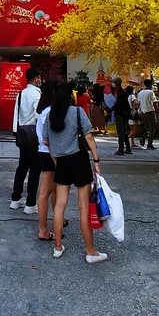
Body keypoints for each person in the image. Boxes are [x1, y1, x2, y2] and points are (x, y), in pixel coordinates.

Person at [41, 81, 107, 264]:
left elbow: (47, 142)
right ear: (71, 95)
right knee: (83, 206)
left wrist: (56, 160)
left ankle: (58, 247)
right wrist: (96, 161)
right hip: (79, 160)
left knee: (60, 205)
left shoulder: (50, 115)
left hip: (61, 162)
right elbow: (89, 137)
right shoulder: (78, 112)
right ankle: (90, 251)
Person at [10, 68, 43, 214]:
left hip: (22, 134)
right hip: (34, 135)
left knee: (22, 167)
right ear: (36, 79)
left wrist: (16, 131)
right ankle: (30, 204)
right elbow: (38, 114)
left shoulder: (21, 93)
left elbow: (16, 113)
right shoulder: (37, 94)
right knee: (35, 169)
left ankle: (15, 200)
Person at [34, 82, 61, 241]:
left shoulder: (44, 111)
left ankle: (56, 219)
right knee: (46, 191)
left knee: (53, 189)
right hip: (50, 153)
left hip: (43, 152)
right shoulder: (50, 112)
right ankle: (43, 229)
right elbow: (49, 139)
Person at [112, 78, 133, 156]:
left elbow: (119, 105)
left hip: (120, 114)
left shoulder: (120, 93)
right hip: (123, 114)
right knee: (124, 132)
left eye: (114, 82)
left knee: (120, 132)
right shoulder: (121, 92)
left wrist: (111, 109)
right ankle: (128, 148)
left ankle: (121, 150)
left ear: (117, 83)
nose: (113, 84)